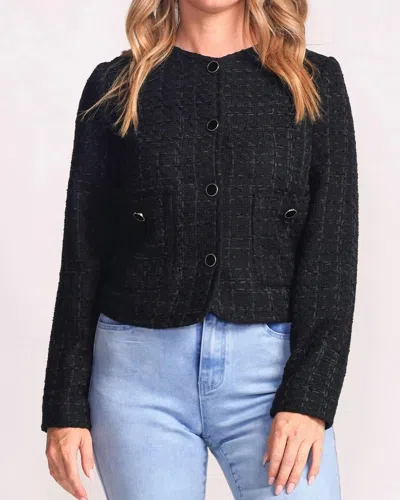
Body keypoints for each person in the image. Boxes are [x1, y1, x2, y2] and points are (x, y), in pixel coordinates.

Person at [41, 0, 359, 499]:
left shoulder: (314, 82)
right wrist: (64, 406)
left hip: (270, 376)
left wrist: (309, 398)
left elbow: (331, 251)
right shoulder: (115, 86)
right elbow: (83, 253)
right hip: (136, 381)